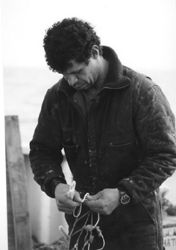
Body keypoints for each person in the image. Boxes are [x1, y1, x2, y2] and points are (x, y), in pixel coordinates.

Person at [29, 17, 176, 250]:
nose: (71, 81)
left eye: (77, 71)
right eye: (64, 74)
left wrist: (122, 193)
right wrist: (55, 185)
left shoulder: (142, 92)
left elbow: (167, 155)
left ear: (95, 52)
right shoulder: (57, 96)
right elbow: (41, 150)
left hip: (137, 229)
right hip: (82, 224)